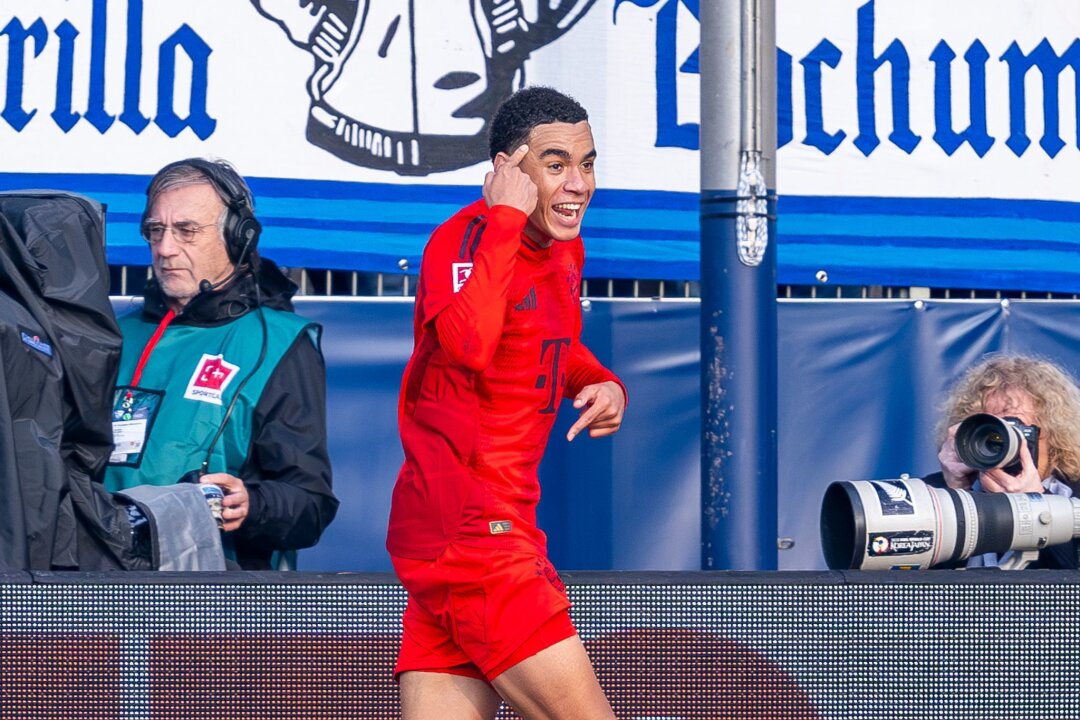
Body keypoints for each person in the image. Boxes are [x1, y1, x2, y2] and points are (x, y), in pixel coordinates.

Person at [386, 87, 627, 719]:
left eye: (588, 163)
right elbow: (469, 344)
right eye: (555, 165)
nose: (578, 184)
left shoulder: (563, 247)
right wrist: (503, 221)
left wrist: (599, 381)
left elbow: (549, 344)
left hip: (476, 529)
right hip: (472, 533)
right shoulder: (465, 241)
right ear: (507, 171)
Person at [103, 158, 339, 570]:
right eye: (155, 231)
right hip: (97, 579)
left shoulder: (278, 343)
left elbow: (310, 504)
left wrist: (252, 505)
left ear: (237, 237)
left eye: (186, 231)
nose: (165, 248)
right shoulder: (111, 337)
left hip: (213, 596)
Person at [925, 353, 1080, 568]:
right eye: (989, 429)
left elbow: (1070, 579)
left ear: (1055, 436)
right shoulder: (931, 495)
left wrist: (1037, 505)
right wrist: (954, 497)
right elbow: (920, 588)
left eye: (1015, 428)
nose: (1000, 442)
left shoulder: (1074, 497)